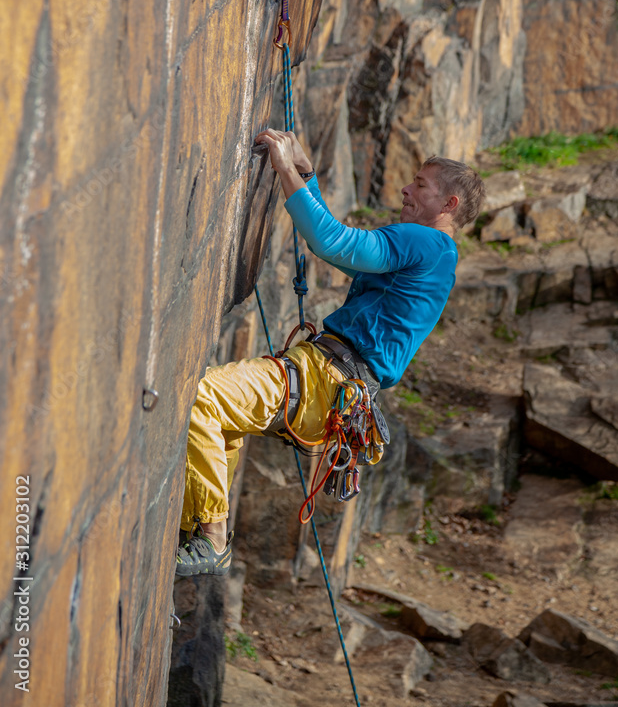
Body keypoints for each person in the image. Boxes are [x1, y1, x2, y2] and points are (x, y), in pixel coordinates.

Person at [174, 129, 485, 576]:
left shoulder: (428, 243)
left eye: (421, 184)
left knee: (202, 396)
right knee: (223, 422)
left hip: (328, 377)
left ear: (449, 205)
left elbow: (334, 244)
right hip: (332, 389)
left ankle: (210, 535)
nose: (406, 189)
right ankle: (195, 531)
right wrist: (305, 174)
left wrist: (284, 168)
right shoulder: (437, 259)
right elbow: (345, 257)